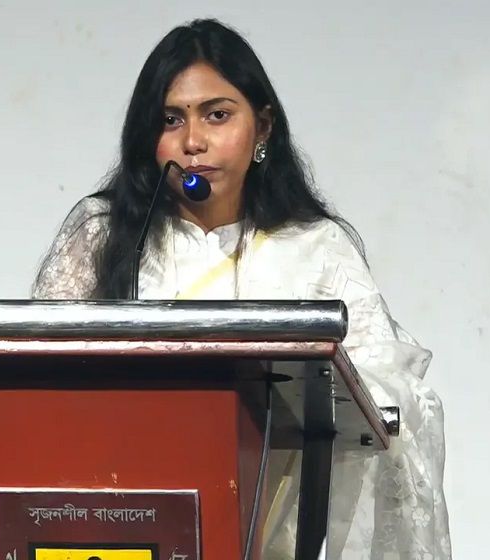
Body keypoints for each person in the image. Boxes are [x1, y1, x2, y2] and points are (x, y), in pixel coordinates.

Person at [31, 18, 450, 560]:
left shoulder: (317, 250)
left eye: (218, 115)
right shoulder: (103, 236)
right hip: (114, 534)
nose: (193, 141)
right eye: (170, 119)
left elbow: (387, 397)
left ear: (263, 128)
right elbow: (35, 381)